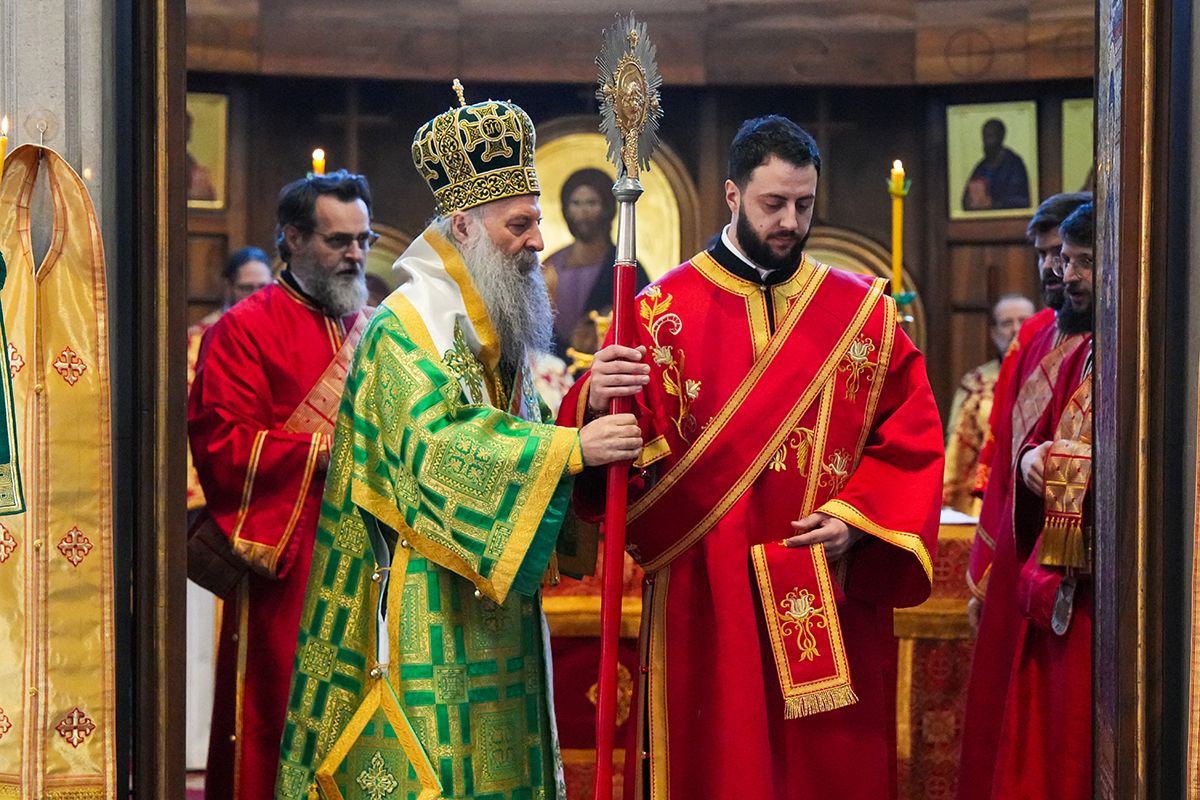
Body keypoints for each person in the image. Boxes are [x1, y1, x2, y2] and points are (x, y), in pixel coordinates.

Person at [558, 115, 944, 799]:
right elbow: (615, 454)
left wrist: (856, 519)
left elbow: (911, 438)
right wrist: (592, 401)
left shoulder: (864, 313)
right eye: (774, 203)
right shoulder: (658, 313)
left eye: (804, 203)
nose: (791, 221)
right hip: (708, 597)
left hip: (827, 589)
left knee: (826, 776)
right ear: (734, 196)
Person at [274, 89, 641, 800]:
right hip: (427, 609)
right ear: (465, 225)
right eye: (520, 224)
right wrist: (572, 451)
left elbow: (523, 432)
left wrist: (587, 406)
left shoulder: (490, 325)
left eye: (537, 221)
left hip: (495, 607)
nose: (539, 241)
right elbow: (435, 454)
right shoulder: (404, 328)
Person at [189, 170, 375, 798]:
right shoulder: (242, 330)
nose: (355, 255)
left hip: (376, 559)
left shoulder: (377, 330)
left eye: (363, 241)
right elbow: (221, 442)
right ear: (292, 239)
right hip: (290, 561)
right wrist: (320, 453)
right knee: (278, 712)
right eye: (338, 241)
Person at [955, 191, 1092, 800]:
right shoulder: (1038, 336)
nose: (1057, 271)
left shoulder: (1110, 342)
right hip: (1030, 538)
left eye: (1073, 258)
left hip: (1071, 558)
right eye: (1051, 256)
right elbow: (1009, 447)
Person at [186, 246, 274, 515]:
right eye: (247, 288)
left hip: (270, 467)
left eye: (264, 287)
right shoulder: (197, 339)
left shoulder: (281, 338)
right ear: (229, 288)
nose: (256, 295)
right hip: (215, 468)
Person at [942, 293, 1035, 516]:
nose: (1016, 329)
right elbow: (958, 451)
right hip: (986, 499)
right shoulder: (975, 384)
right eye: (1007, 323)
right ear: (994, 333)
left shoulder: (1054, 374)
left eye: (1024, 321)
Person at [543, 167, 649, 356]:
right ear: (566, 209)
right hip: (556, 364)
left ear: (607, 208)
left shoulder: (625, 266)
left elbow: (642, 319)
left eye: (592, 203)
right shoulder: (552, 264)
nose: (583, 211)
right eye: (576, 203)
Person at [962, 118, 1030, 211]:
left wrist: (995, 204)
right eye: (984, 137)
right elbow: (965, 198)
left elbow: (1023, 201)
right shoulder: (981, 167)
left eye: (990, 136)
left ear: (1001, 137)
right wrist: (970, 202)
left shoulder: (1014, 164)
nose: (986, 142)